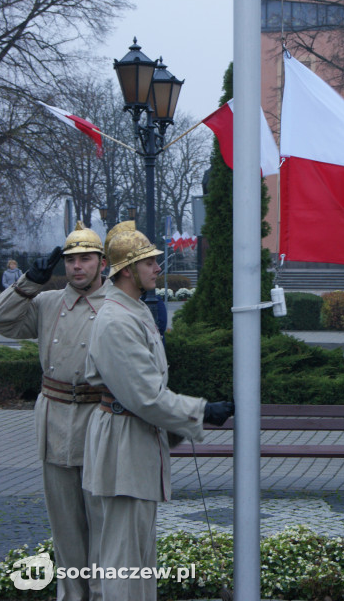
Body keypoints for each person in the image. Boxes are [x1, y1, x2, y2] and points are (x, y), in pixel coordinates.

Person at [82, 223, 234, 601]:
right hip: (123, 442)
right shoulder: (117, 320)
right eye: (148, 262)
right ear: (128, 270)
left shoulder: (132, 309)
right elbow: (146, 396)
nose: (156, 268)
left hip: (134, 439)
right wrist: (201, 411)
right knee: (124, 560)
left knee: (138, 557)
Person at [0, 223, 109, 601]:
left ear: (102, 263)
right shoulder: (47, 303)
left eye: (85, 259)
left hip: (101, 421)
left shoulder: (120, 305)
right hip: (56, 421)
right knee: (64, 527)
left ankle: (102, 593)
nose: (77, 266)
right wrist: (30, 283)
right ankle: (72, 596)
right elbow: (0, 319)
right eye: (71, 260)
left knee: (103, 523)